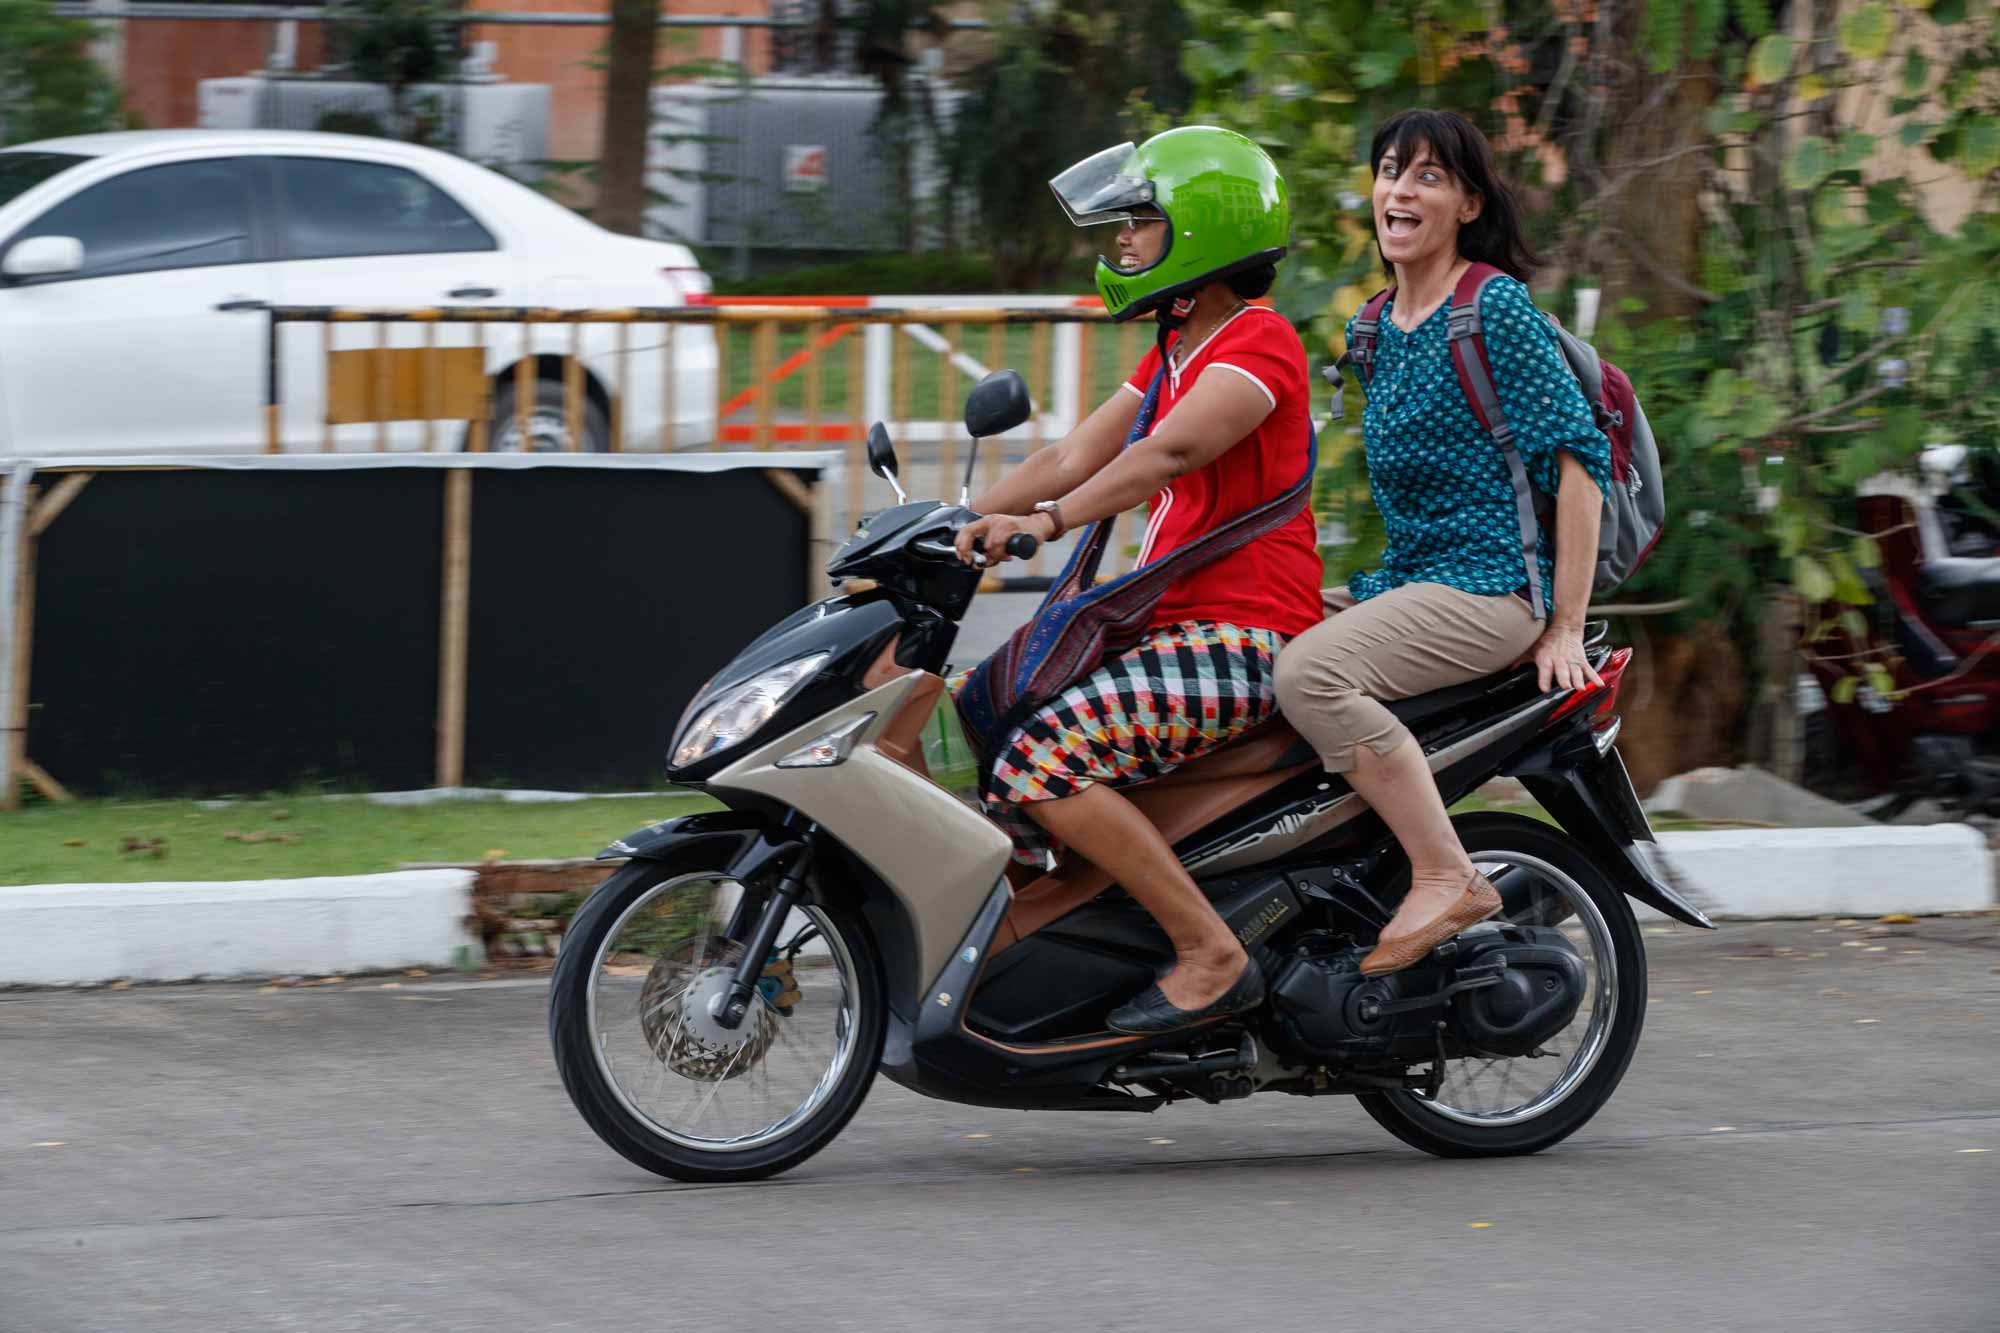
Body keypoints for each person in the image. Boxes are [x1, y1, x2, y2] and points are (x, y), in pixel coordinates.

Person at [950, 127, 1323, 1034]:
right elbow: (1073, 451)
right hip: (1176, 630)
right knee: (975, 705)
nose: (1121, 241)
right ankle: (1066, 911)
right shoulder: (1175, 351)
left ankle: (1210, 949)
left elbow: (1169, 453)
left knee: (1044, 759)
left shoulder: (1259, 341)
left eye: (1139, 222)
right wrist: (943, 529)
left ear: (1201, 228)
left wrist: (1043, 525)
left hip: (1244, 636)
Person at [1271, 108, 1612, 976]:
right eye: (1391, 170)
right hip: (1409, 580)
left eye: (1427, 175)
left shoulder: (1491, 307)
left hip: (1492, 589)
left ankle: (1446, 873)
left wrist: (1564, 623)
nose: (1400, 189)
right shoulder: (1374, 328)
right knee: (1241, 639)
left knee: (1311, 673)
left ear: (1466, 204)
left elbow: (1579, 464)